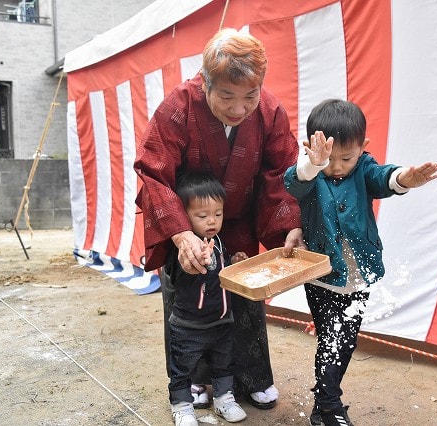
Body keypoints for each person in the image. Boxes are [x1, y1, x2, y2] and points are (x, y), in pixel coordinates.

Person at [135, 27, 305, 410]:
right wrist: (180, 235)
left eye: (250, 96)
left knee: (244, 301)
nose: (239, 108)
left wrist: (290, 222)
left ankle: (252, 378)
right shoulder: (177, 107)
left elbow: (282, 172)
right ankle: (192, 381)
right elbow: (153, 172)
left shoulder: (270, 110)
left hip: (240, 221)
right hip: (188, 223)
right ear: (205, 82)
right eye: (227, 95)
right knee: (187, 305)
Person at [283, 99, 437, 426]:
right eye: (329, 159)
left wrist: (404, 178)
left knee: (347, 340)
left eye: (346, 158)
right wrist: (314, 165)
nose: (337, 167)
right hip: (322, 276)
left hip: (359, 275)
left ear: (362, 148)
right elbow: (294, 183)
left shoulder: (364, 168)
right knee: (331, 339)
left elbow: (384, 177)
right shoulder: (311, 174)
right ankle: (329, 407)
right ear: (311, 147)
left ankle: (323, 405)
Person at [166, 171, 248, 425]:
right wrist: (195, 262)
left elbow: (222, 270)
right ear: (185, 216)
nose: (211, 221)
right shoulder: (181, 249)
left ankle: (224, 400)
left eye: (218, 214)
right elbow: (177, 273)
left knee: (224, 365)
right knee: (182, 369)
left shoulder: (219, 241)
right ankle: (181, 406)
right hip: (188, 326)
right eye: (202, 216)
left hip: (222, 322)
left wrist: (235, 261)